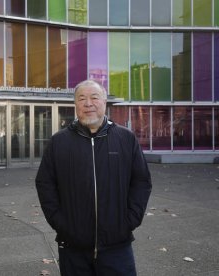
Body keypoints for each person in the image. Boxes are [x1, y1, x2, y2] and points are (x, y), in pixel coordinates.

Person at [35, 79, 152, 275]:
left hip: (117, 244)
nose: (88, 103)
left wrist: (130, 220)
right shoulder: (59, 141)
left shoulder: (125, 138)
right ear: (75, 105)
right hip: (73, 245)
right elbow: (45, 183)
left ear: (104, 102)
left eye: (94, 97)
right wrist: (61, 223)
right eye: (82, 98)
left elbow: (141, 181)